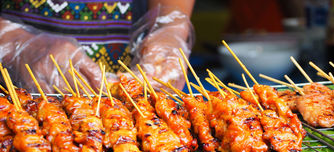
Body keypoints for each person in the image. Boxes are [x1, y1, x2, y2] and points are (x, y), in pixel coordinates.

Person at [0, 0, 195, 93]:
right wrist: (14, 45)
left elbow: (172, 13)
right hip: (13, 91)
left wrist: (170, 27)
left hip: (132, 87)